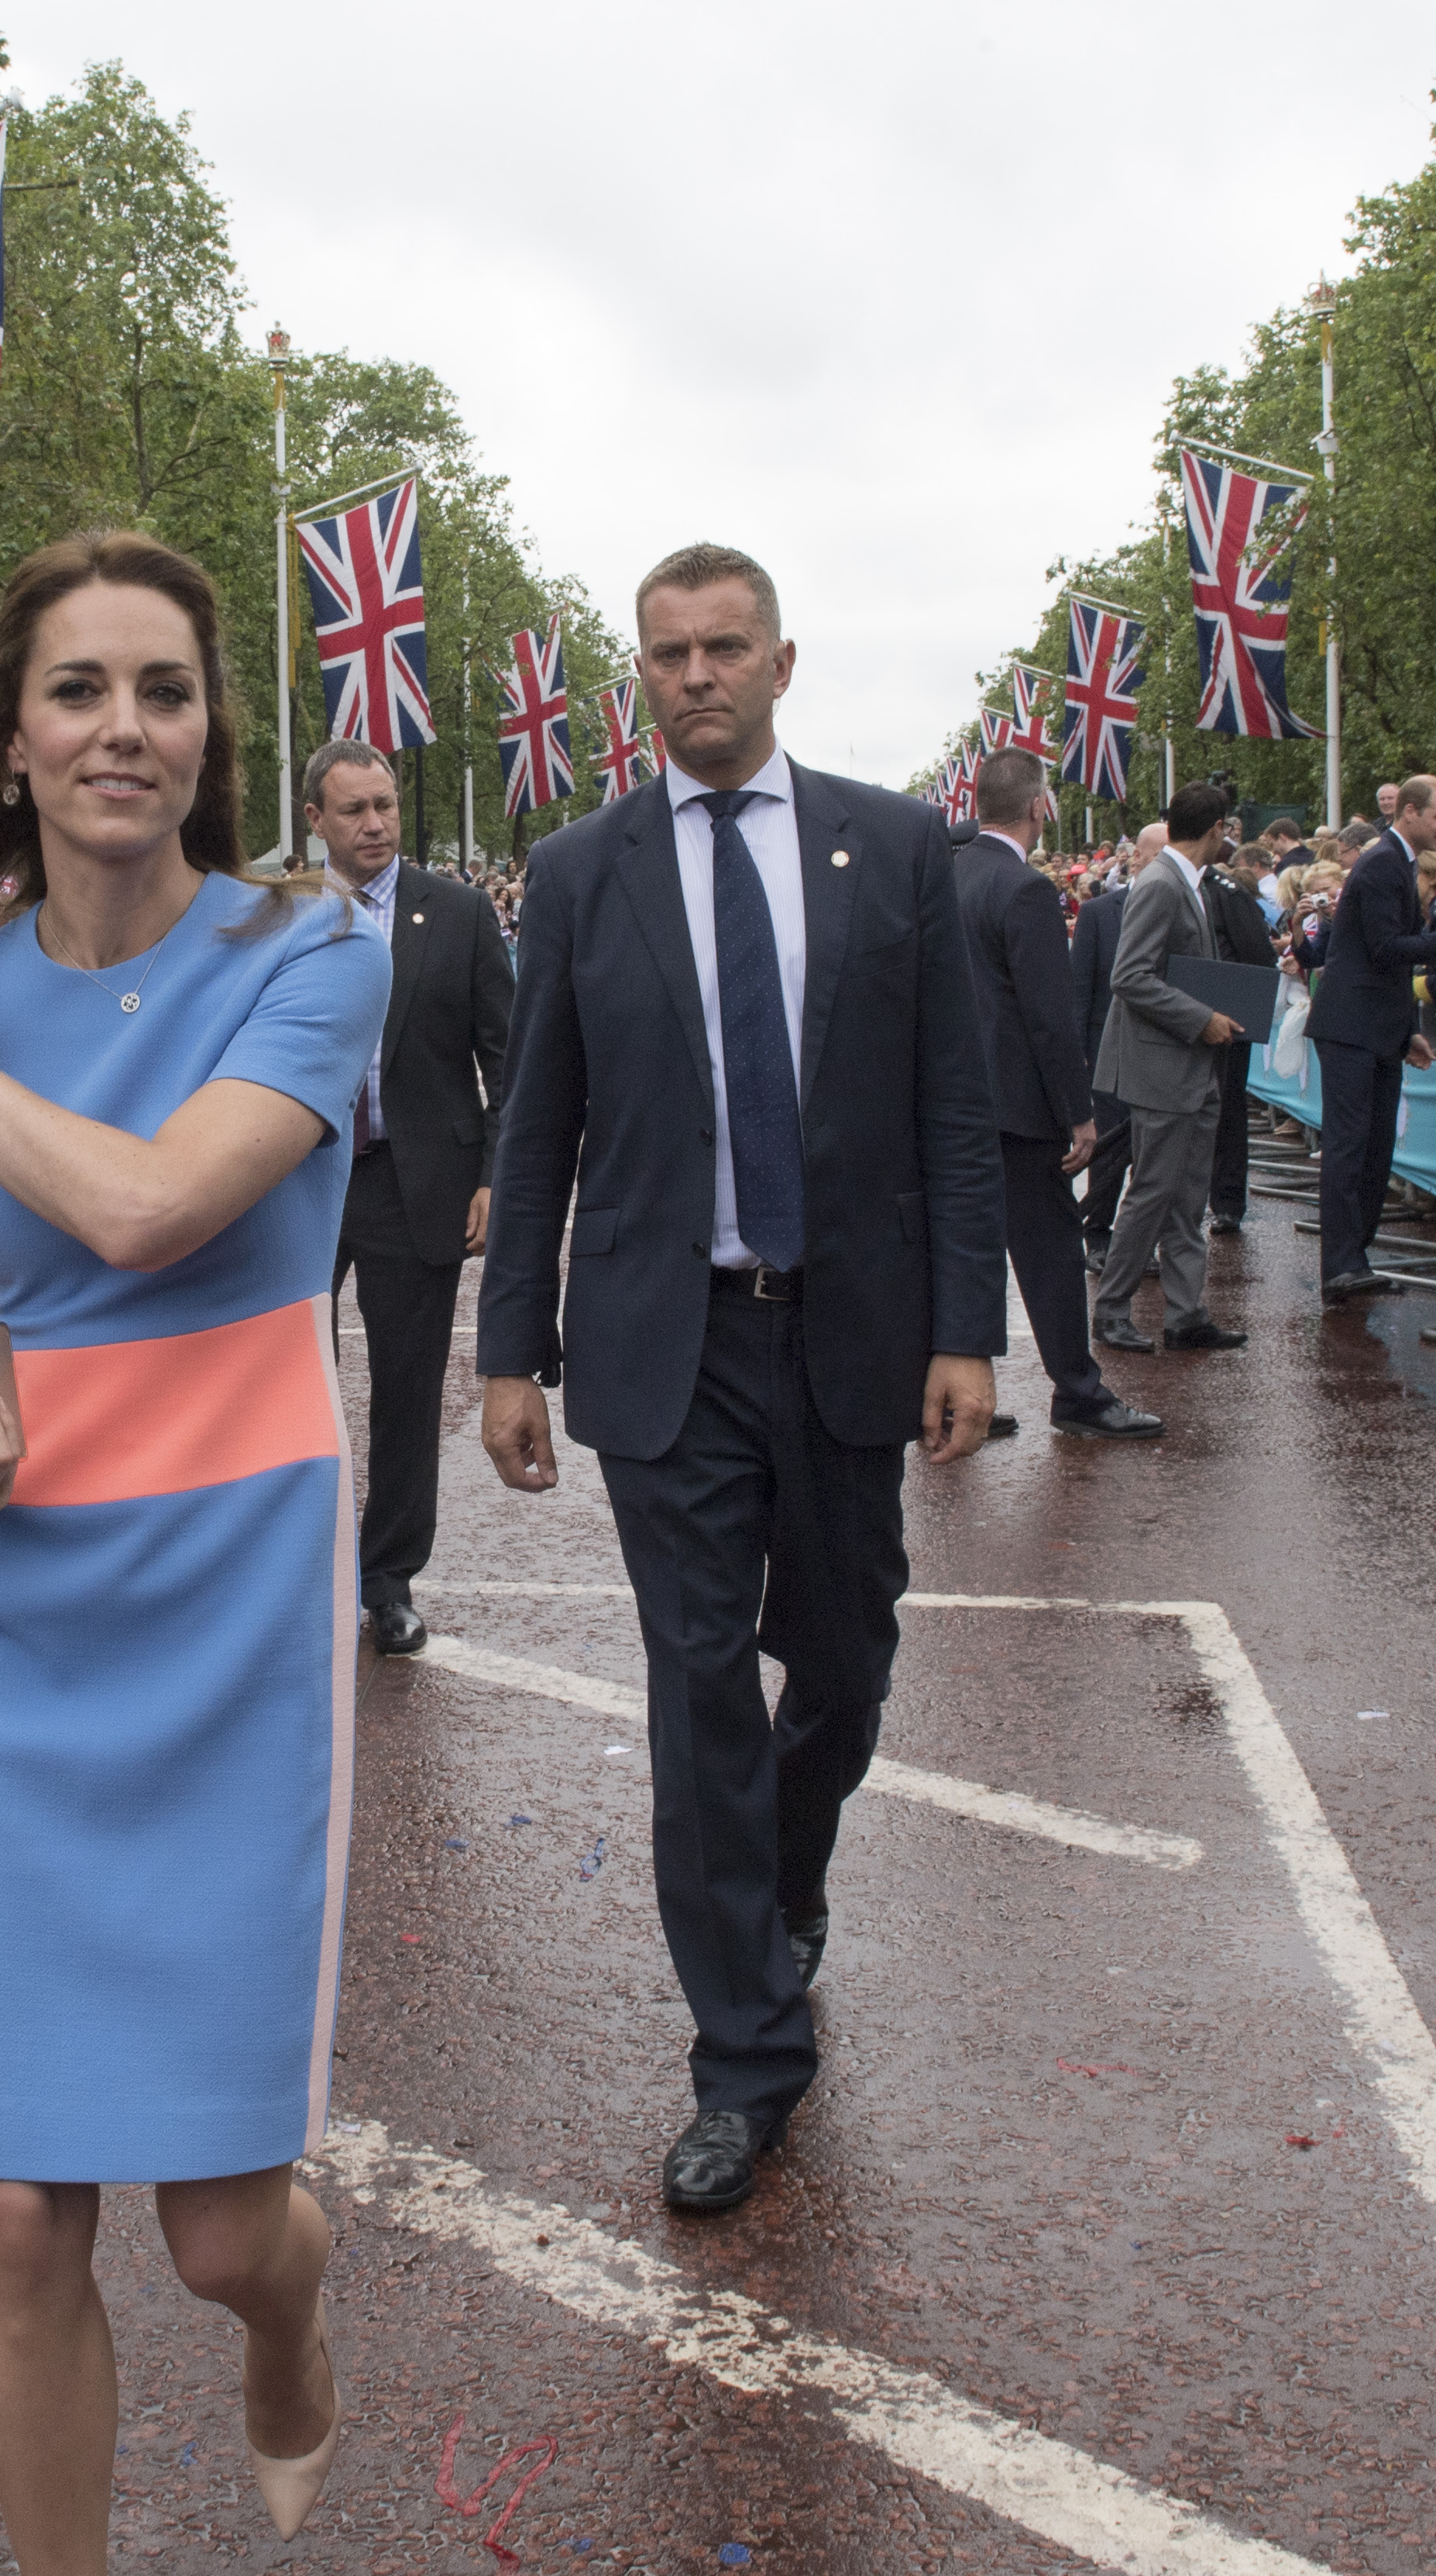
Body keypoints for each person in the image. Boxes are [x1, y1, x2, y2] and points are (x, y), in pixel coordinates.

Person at [0, 530, 381, 2570]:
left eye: (167, 693)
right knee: (15, 2206)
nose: (128, 728)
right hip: (27, 1635)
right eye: (82, 691)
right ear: (12, 741)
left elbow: (145, 1217)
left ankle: (290, 2328)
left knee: (213, 2238)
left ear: (213, 735)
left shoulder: (313, 948)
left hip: (237, 1615)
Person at [476, 542, 1004, 2219]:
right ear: (638, 674)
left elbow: (949, 1105)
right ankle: (743, 2057)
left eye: (722, 647)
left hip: (848, 1326)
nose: (692, 673)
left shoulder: (895, 845)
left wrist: (965, 1328)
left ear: (782, 663)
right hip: (663, 1340)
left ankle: (788, 1872)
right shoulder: (576, 869)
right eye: (663, 653)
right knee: (696, 1684)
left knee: (840, 1661)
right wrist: (509, 1351)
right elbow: (536, 1124)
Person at [302, 737, 511, 1654]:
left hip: (414, 1182)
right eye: (354, 809)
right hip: (297, 1183)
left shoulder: (460, 915)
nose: (377, 823)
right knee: (287, 1382)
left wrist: (494, 1176)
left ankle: (387, 1579)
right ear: (316, 820)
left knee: (406, 1390)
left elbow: (510, 1060)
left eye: (384, 804)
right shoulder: (278, 918)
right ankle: (290, 1571)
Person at [946, 751, 1153, 1440]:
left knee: (959, 1249)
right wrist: (1079, 1113)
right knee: (1051, 1254)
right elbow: (1049, 1016)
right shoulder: (1025, 889)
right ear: (1040, 808)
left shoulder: (947, 875)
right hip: (1018, 1108)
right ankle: (1078, 1390)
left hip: (951, 1102)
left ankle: (954, 1395)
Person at [1312, 776, 1436, 1300]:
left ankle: (1355, 1256)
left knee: (1375, 1147)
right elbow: (1386, 948)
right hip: (1352, 1025)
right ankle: (1342, 1263)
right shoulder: (1385, 861)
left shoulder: (1396, 859)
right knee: (1351, 1146)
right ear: (1409, 812)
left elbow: (1380, 957)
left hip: (1375, 1024)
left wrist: (1407, 1029)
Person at [1089, 782, 1245, 1357]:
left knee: (1186, 1193)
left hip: (1188, 1063)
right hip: (1165, 1065)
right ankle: (1111, 1311)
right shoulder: (1161, 883)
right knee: (1152, 1191)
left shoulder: (1182, 881)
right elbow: (1129, 976)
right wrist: (1201, 1018)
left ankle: (1186, 1314)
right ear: (1215, 830)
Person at [1071, 836, 1146, 1267]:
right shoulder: (1099, 913)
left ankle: (1140, 1243)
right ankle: (1097, 1233)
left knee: (1152, 1154)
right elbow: (1079, 985)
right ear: (1137, 858)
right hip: (1105, 1050)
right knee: (1109, 1149)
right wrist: (1078, 1051)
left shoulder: (1182, 905)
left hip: (1158, 1053)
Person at [1201, 825, 1280, 1231]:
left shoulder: (1226, 893)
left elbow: (1258, 955)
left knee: (1227, 1112)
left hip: (1226, 1020)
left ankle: (1227, 1201)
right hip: (1174, 1019)